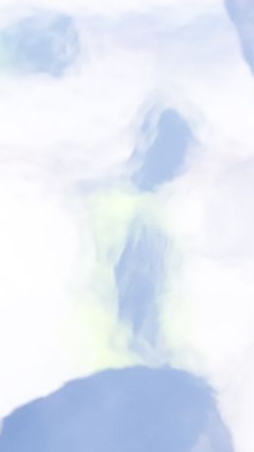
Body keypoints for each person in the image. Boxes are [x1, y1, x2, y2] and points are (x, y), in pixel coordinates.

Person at [80, 106, 196, 368]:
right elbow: (137, 298)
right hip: (122, 356)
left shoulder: (107, 200)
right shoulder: (145, 218)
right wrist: (153, 356)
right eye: (181, 154)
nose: (185, 165)